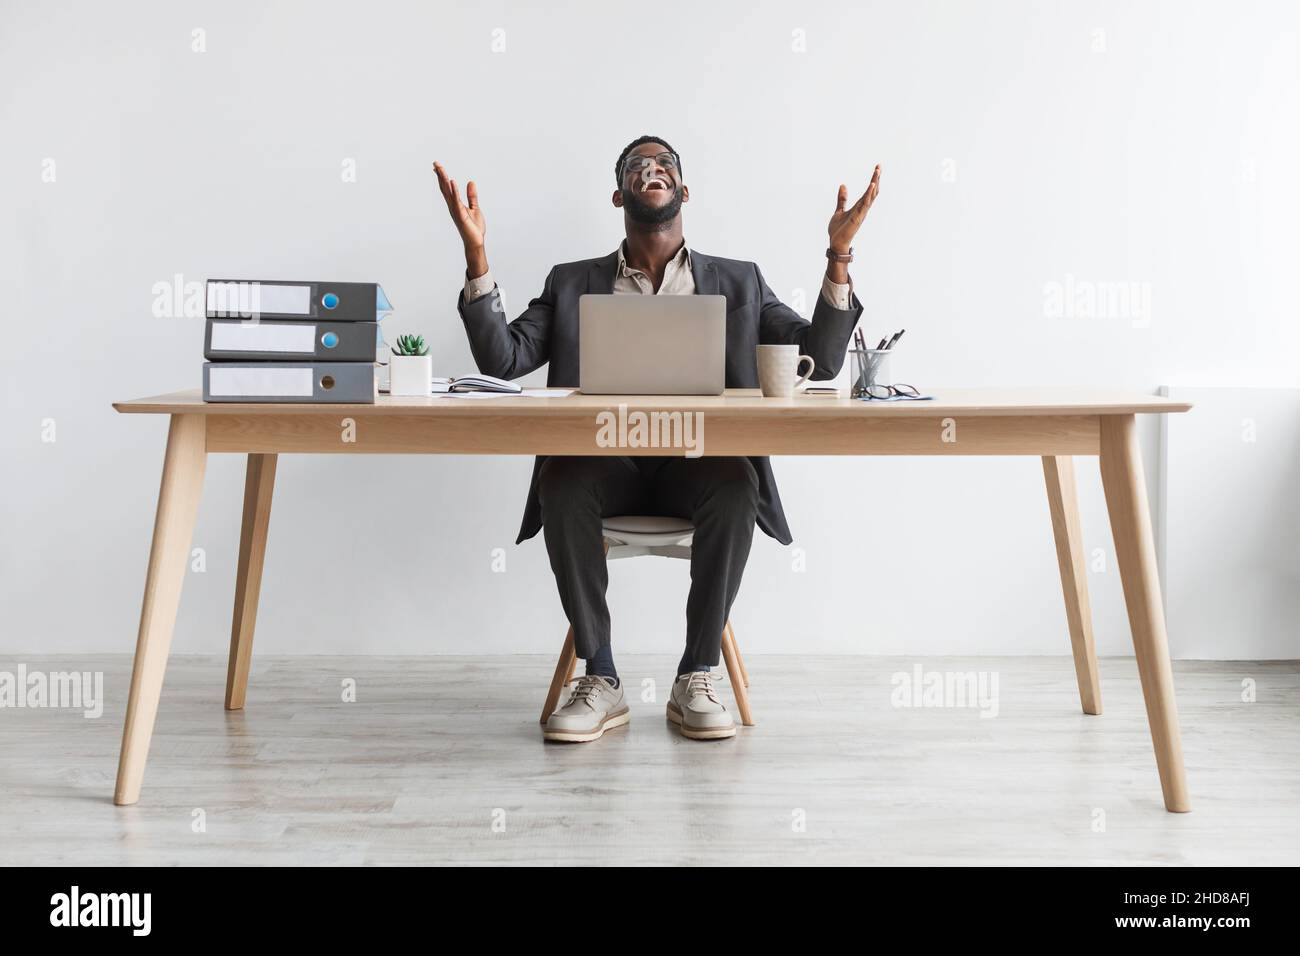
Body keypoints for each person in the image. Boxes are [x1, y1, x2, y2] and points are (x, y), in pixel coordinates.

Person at [433, 136, 881, 743]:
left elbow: (821, 360)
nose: (652, 169)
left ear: (683, 191)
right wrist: (477, 254)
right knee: (560, 478)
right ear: (619, 193)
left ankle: (697, 672)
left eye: (664, 164)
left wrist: (839, 255)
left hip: (695, 469)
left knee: (734, 479)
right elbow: (503, 359)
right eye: (637, 166)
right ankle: (601, 678)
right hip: (604, 465)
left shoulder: (739, 281)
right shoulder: (571, 282)